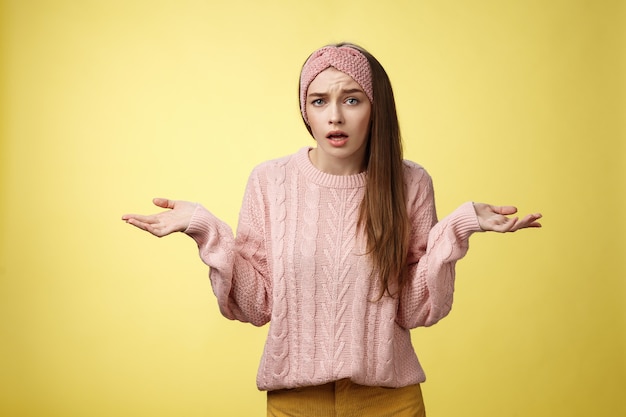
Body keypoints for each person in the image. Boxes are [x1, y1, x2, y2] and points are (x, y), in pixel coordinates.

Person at [122, 42, 542, 417]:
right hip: (296, 402)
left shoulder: (410, 183)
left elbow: (414, 310)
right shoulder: (270, 182)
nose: (335, 116)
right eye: (319, 101)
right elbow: (258, 305)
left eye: (352, 99)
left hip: (388, 402)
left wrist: (456, 229)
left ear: (376, 107)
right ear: (305, 110)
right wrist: (205, 229)